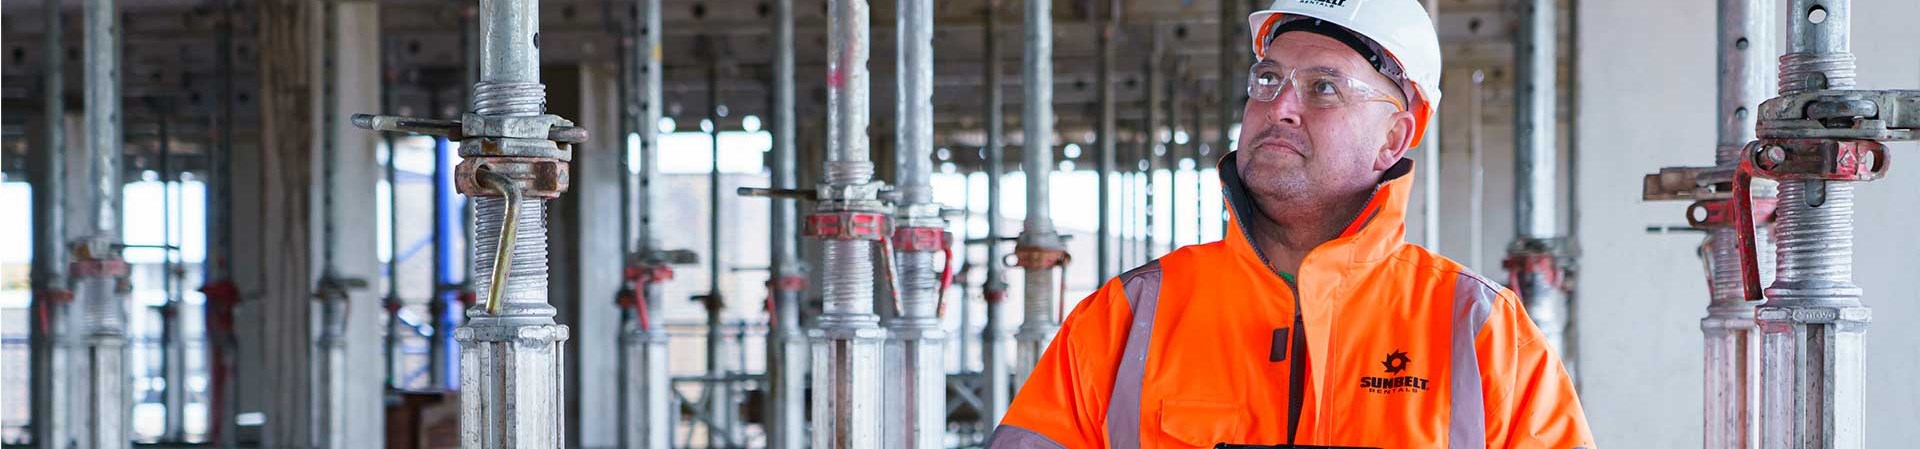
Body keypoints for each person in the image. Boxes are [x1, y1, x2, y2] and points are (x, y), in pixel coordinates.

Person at [986, 0, 1595, 447]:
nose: (1279, 107)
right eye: (1267, 79)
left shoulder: (1480, 332)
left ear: (1395, 135)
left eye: (1324, 87)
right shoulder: (1126, 319)